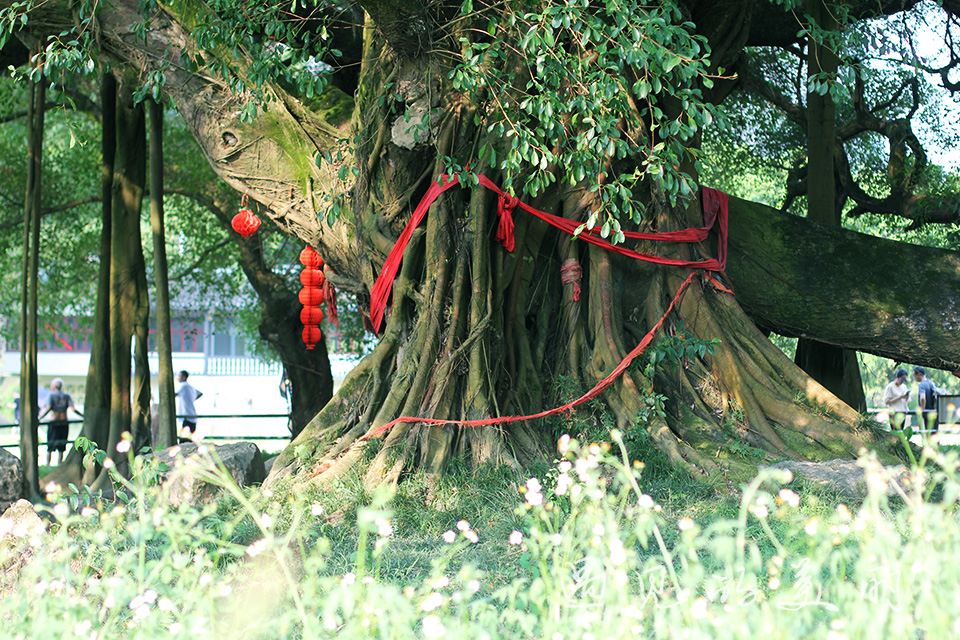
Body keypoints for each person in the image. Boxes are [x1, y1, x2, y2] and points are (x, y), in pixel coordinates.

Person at [38, 378, 82, 466]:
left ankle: (48, 464)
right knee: (62, 446)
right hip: (63, 422)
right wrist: (83, 415)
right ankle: (59, 463)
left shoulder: (51, 395)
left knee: (50, 444)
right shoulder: (66, 396)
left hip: (54, 423)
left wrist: (39, 417)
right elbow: (73, 408)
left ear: (53, 386)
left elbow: (48, 408)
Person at [175, 370, 203, 443]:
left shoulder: (183, 386)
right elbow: (200, 393)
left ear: (184, 377)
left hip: (186, 415)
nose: (177, 378)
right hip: (192, 414)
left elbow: (175, 394)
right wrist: (191, 399)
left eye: (179, 376)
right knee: (191, 438)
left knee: (184, 439)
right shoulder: (190, 387)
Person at [913, 366, 939, 433]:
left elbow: (922, 397)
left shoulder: (922, 385)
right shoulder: (931, 383)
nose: (914, 378)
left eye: (914, 376)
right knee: (933, 432)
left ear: (919, 374)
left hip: (926, 413)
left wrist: (922, 410)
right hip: (934, 411)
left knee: (925, 432)